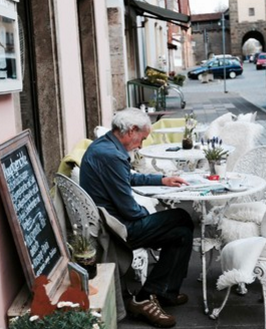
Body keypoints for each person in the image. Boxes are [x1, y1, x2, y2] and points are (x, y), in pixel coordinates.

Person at [80, 108, 194, 328]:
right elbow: (130, 210)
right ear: (131, 130)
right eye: (141, 139)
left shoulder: (104, 146)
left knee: (182, 232)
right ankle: (148, 296)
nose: (141, 145)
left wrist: (161, 180)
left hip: (111, 221)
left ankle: (160, 293)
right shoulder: (111, 156)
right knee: (181, 217)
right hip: (116, 229)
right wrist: (151, 218)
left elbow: (128, 179)